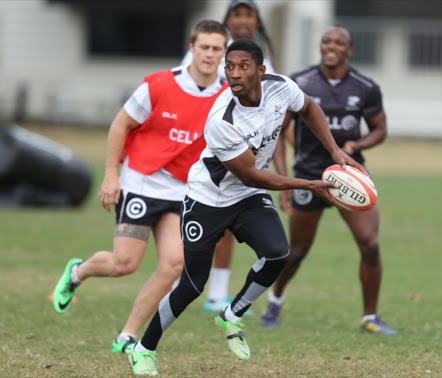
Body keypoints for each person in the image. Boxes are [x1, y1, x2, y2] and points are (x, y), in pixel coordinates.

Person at [128, 38, 365, 376]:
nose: (234, 74)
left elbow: (309, 109)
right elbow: (253, 176)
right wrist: (309, 184)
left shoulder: (281, 87)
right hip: (208, 199)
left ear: (261, 71)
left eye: (243, 67)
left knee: (277, 254)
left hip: (245, 197)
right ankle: (143, 348)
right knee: (192, 286)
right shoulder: (222, 119)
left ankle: (231, 315)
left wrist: (335, 152)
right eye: (230, 67)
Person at [51, 20, 229, 354]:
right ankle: (77, 272)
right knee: (124, 264)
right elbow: (120, 125)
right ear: (191, 47)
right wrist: (110, 174)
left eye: (216, 48)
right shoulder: (159, 85)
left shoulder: (225, 96)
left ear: (223, 53)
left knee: (174, 265)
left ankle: (128, 336)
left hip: (182, 191)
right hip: (142, 182)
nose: (209, 54)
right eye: (204, 47)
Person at [260, 26, 396, 335]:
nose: (330, 46)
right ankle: (275, 301)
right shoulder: (300, 82)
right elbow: (280, 132)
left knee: (370, 245)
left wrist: (357, 146)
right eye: (326, 41)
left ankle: (370, 317)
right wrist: (283, 177)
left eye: (339, 42)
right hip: (309, 178)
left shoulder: (365, 87)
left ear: (350, 50)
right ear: (321, 47)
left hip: (349, 176)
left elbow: (380, 129)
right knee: (295, 252)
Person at [183, 0, 276, 314]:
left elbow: (276, 112)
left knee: (228, 225)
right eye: (236, 13)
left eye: (248, 14)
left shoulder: (263, 61)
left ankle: (217, 295)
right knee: (194, 225)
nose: (242, 19)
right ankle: (181, 287)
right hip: (203, 150)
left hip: (240, 153)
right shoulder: (210, 48)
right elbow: (186, 92)